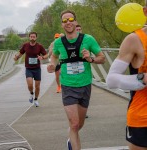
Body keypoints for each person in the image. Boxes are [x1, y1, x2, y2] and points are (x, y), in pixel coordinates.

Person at [47, 10, 105, 150]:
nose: (68, 22)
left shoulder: (88, 39)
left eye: (71, 19)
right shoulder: (58, 42)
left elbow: (102, 58)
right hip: (68, 86)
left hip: (85, 85)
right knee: (74, 124)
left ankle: (71, 139)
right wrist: (52, 64)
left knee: (79, 124)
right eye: (65, 21)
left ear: (76, 22)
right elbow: (54, 56)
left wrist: (90, 59)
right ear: (62, 24)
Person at [106, 4, 147, 150]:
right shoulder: (135, 40)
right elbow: (111, 80)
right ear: (145, 12)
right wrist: (141, 78)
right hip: (142, 117)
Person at [14, 31, 48, 107]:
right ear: (29, 37)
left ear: (36, 37)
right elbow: (21, 53)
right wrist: (16, 57)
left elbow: (46, 55)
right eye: (31, 37)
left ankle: (36, 99)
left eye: (34, 37)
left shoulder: (39, 46)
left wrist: (42, 57)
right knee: (30, 85)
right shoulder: (25, 45)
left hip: (37, 69)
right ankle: (31, 93)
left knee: (37, 86)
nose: (32, 38)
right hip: (29, 68)